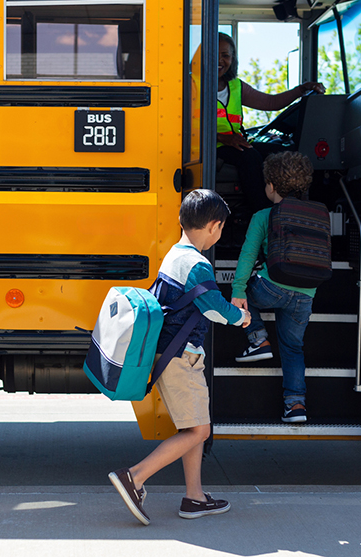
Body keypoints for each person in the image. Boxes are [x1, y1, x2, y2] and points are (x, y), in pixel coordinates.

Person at [109, 189, 251, 525]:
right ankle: (135, 477)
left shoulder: (175, 253)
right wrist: (241, 317)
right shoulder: (197, 265)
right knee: (199, 430)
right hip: (181, 357)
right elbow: (215, 309)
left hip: (173, 352)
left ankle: (195, 497)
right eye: (221, 229)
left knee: (193, 427)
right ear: (215, 227)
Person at [230, 152, 317, 423]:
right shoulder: (315, 214)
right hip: (306, 293)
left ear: (270, 186)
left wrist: (237, 290)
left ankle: (258, 339)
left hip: (271, 288)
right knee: (293, 347)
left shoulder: (263, 216)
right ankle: (296, 406)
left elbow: (248, 256)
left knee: (245, 297)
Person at [216, 32, 325, 211]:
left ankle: (297, 209)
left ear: (232, 58)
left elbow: (271, 102)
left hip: (235, 143)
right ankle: (263, 214)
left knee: (283, 152)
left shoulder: (236, 86)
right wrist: (222, 138)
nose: (220, 60)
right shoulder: (193, 84)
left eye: (225, 55)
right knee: (250, 156)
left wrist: (301, 89)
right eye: (214, 54)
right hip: (209, 147)